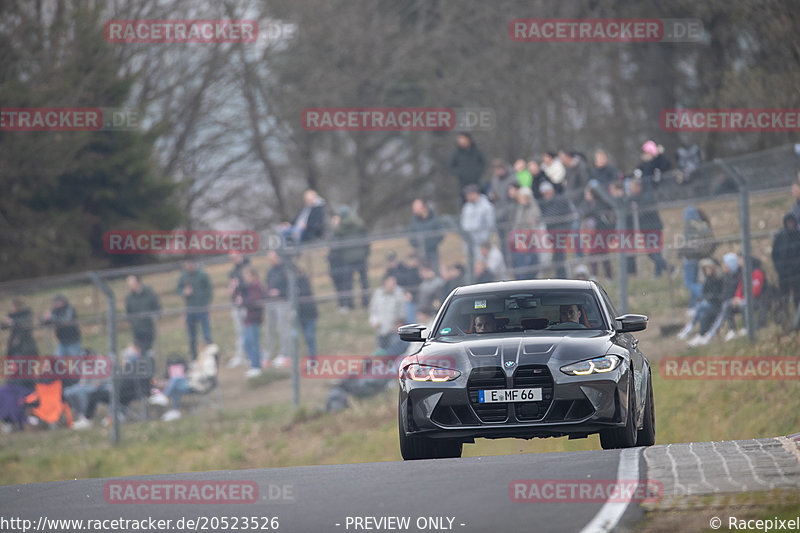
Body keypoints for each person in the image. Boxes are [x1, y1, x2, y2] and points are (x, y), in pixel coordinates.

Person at [625, 178, 670, 277]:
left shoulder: (648, 196)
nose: (630, 189)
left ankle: (670, 269)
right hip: (644, 230)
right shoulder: (632, 198)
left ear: (638, 186)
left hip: (654, 228)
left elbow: (643, 209)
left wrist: (636, 206)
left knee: (654, 252)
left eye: (632, 187)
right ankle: (658, 274)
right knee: (653, 252)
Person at [329, 206, 370, 311]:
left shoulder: (340, 228)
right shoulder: (359, 223)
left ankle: (350, 304)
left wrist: (340, 256)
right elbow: (366, 239)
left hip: (347, 259)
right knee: (364, 281)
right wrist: (366, 252)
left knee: (348, 283)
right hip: (361, 257)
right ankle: (366, 302)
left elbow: (336, 244)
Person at [679, 206, 715, 312]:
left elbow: (686, 244)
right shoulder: (703, 225)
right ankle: (693, 306)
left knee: (689, 283)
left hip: (690, 258)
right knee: (695, 281)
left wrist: (680, 253)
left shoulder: (690, 225)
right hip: (700, 257)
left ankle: (704, 296)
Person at [176, 261, 213, 361]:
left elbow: (209, 289)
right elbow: (178, 289)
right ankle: (194, 358)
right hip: (190, 309)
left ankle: (210, 357)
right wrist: (184, 291)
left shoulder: (202, 274)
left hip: (202, 308)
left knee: (206, 334)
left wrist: (206, 302)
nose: (186, 266)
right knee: (192, 336)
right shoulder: (183, 276)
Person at [679, 259, 724, 341]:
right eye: (705, 270)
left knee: (700, 306)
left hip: (716, 303)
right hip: (709, 302)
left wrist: (711, 297)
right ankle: (699, 332)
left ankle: (691, 327)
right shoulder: (707, 280)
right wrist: (708, 297)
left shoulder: (718, 280)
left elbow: (719, 294)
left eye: (708, 269)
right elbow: (704, 293)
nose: (707, 271)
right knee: (701, 312)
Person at [539, 182, 577, 278]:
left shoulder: (561, 200)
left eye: (547, 192)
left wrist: (566, 231)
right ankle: (560, 275)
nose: (545, 195)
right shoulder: (544, 204)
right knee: (557, 257)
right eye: (544, 193)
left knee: (561, 256)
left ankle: (563, 276)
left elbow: (569, 216)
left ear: (551, 191)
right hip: (552, 235)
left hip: (562, 233)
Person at [578, 186, 614, 280]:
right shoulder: (587, 204)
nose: (586, 196)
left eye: (587, 194)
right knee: (594, 253)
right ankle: (596, 275)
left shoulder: (600, 204)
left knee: (602, 253)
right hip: (594, 234)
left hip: (602, 232)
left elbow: (596, 214)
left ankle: (607, 277)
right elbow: (584, 212)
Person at [264, 250, 291, 368]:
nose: (271, 261)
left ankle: (285, 354)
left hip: (283, 302)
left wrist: (280, 292)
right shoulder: (270, 271)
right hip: (271, 303)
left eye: (272, 258)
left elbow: (292, 287)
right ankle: (268, 355)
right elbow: (267, 285)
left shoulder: (286, 269)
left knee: (284, 328)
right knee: (269, 329)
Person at [509, 186, 542, 279]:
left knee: (531, 259)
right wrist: (517, 238)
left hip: (531, 239)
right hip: (520, 238)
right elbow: (517, 224)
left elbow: (532, 225)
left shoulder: (533, 208)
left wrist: (523, 237)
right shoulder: (520, 207)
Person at [771, 213, 800, 316]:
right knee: (783, 297)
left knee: (797, 296)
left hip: (796, 274)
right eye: (788, 222)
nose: (790, 224)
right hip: (783, 274)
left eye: (792, 222)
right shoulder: (780, 237)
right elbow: (775, 255)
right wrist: (779, 269)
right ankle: (785, 318)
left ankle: (797, 318)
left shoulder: (798, 236)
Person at [238, 266, 265, 378]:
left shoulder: (257, 287)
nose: (245, 278)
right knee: (246, 343)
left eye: (247, 276)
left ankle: (256, 367)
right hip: (247, 319)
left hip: (254, 318)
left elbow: (255, 302)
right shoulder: (248, 288)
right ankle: (253, 363)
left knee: (253, 343)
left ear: (253, 276)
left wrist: (243, 301)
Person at [125, 275, 161, 354]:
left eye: (132, 284)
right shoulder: (129, 298)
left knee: (147, 350)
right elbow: (128, 313)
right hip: (137, 330)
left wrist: (153, 318)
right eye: (129, 285)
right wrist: (133, 322)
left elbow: (157, 308)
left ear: (138, 283)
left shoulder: (149, 294)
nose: (130, 287)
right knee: (138, 351)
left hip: (149, 329)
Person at [368, 274, 405, 350]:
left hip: (393, 331)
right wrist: (375, 321)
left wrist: (398, 324)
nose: (393, 285)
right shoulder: (378, 294)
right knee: (380, 351)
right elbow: (373, 310)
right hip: (380, 330)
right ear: (385, 282)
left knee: (391, 351)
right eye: (391, 283)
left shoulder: (399, 294)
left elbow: (402, 311)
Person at [226, 252, 250, 368]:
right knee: (239, 331)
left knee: (249, 331)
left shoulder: (247, 268)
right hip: (236, 305)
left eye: (235, 257)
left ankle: (249, 355)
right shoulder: (233, 272)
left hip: (247, 305)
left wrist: (239, 287)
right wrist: (232, 289)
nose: (233, 260)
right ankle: (241, 355)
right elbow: (231, 287)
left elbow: (250, 285)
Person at [409, 199, 444, 273]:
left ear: (423, 207)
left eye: (416, 209)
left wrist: (430, 244)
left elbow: (440, 234)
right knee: (423, 274)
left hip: (433, 252)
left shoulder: (434, 219)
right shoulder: (414, 221)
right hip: (420, 253)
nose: (414, 211)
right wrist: (419, 245)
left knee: (435, 272)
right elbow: (411, 238)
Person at [460, 184, 496, 251]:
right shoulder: (467, 207)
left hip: (484, 241)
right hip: (470, 241)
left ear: (475, 193)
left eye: (469, 194)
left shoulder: (486, 206)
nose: (467, 197)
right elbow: (464, 223)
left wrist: (485, 238)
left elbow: (490, 223)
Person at [296, 268, 318, 361]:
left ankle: (313, 358)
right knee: (304, 338)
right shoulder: (290, 284)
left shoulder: (304, 282)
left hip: (309, 314)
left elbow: (306, 293)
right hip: (300, 315)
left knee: (309, 337)